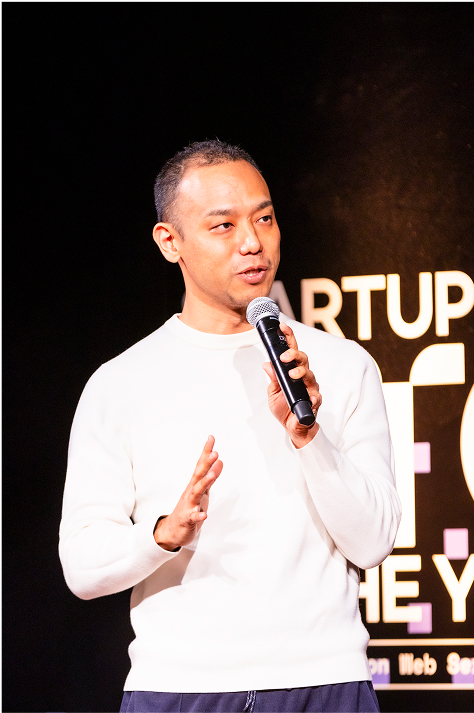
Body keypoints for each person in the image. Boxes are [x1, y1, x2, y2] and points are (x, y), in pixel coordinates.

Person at [59, 140, 401, 713]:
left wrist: (310, 438)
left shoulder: (341, 366)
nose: (252, 243)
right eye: (223, 226)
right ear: (170, 242)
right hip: (179, 686)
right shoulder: (119, 383)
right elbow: (83, 565)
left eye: (264, 218)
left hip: (325, 682)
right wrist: (163, 533)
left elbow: (373, 542)